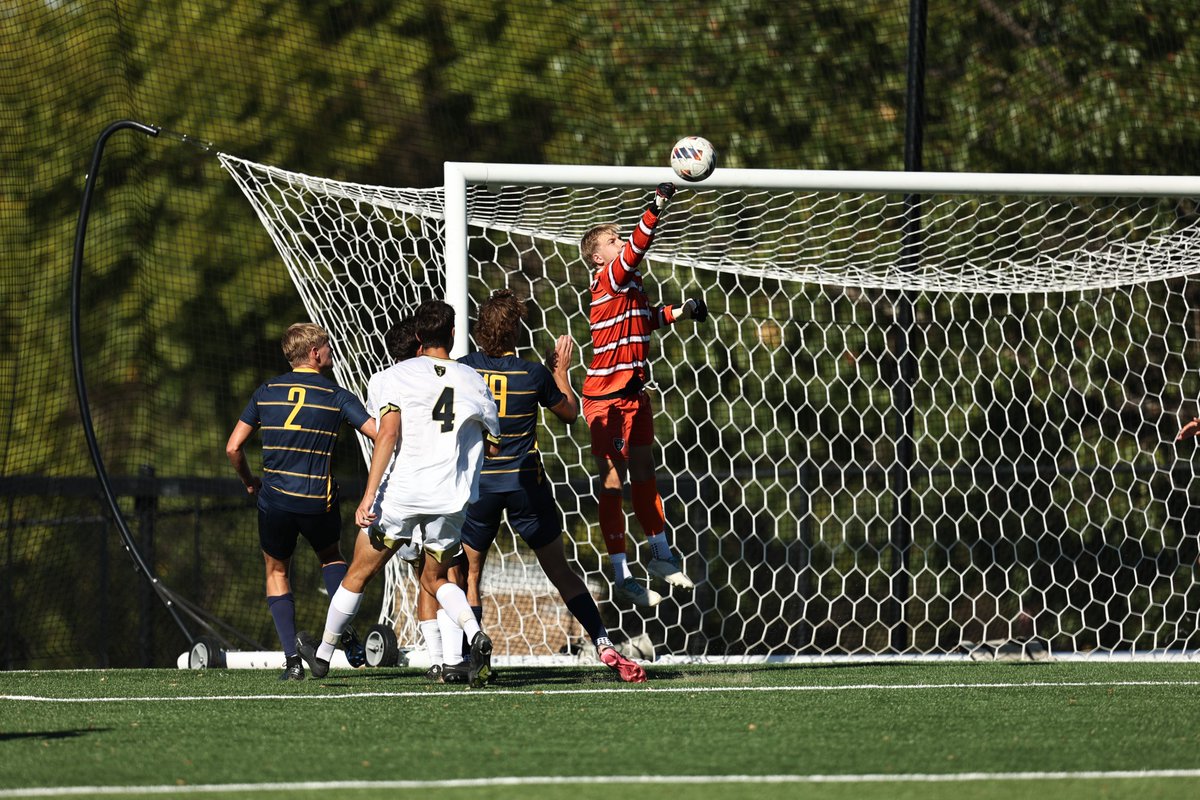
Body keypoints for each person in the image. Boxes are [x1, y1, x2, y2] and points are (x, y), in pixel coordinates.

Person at [297, 300, 501, 688]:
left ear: (419, 337)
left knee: (359, 573)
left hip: (403, 494)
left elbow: (387, 434)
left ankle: (322, 656)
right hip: (451, 498)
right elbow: (494, 447)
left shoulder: (393, 376)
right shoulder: (475, 380)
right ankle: (475, 635)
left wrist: (368, 496)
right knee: (438, 577)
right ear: (454, 335)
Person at [459, 289, 646, 681]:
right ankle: (603, 642)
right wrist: (560, 369)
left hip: (481, 484)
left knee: (470, 574)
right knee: (560, 570)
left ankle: (473, 654)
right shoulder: (532, 373)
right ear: (515, 332)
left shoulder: (463, 371)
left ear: (480, 331)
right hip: (527, 481)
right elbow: (569, 412)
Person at [578, 182, 708, 607]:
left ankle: (661, 555)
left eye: (619, 237)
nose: (621, 244)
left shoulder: (630, 287)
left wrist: (683, 311)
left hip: (634, 393)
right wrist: (655, 207)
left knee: (647, 468)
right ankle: (622, 573)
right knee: (613, 478)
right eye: (612, 240)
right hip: (607, 396)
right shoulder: (607, 280)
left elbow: (647, 319)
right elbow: (637, 247)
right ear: (599, 256)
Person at [225, 322, 377, 681]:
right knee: (332, 558)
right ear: (314, 353)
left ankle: (292, 661)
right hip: (316, 501)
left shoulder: (266, 391)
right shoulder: (336, 396)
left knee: (277, 571)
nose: (331, 353)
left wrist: (249, 482)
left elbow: (233, 447)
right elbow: (376, 432)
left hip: (275, 501)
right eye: (327, 346)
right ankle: (344, 631)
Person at [384, 314, 472, 684]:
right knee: (447, 572)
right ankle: (455, 653)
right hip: (442, 489)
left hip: (401, 494)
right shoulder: (434, 380)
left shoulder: (393, 382)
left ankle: (438, 659)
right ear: (420, 346)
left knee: (424, 576)